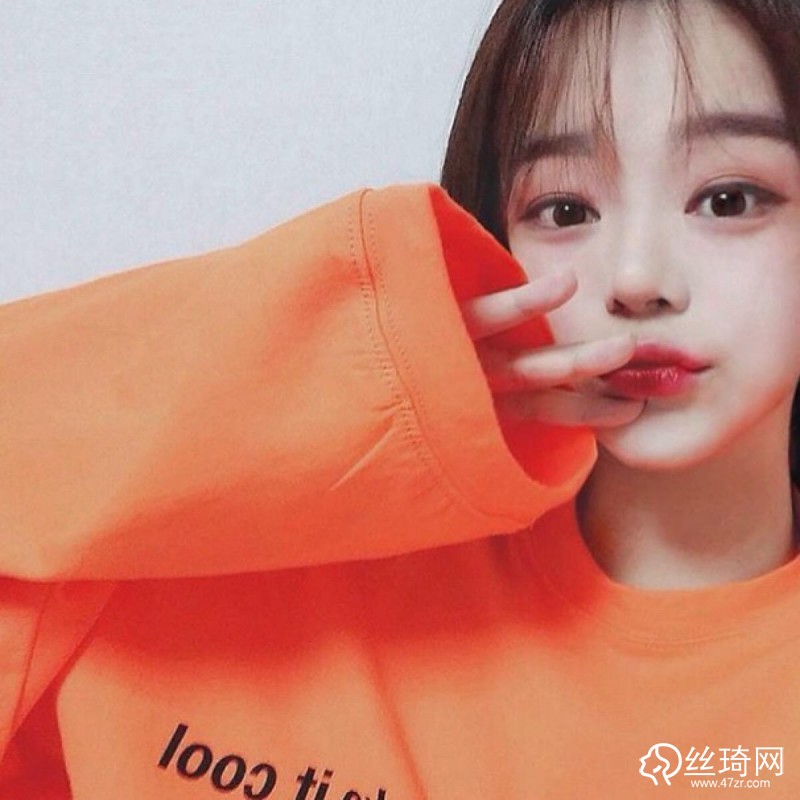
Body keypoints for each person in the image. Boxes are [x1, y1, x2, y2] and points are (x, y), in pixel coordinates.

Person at [2, 0, 800, 797]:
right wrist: (350, 369)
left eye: (729, 200)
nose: (637, 278)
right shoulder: (211, 556)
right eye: (566, 210)